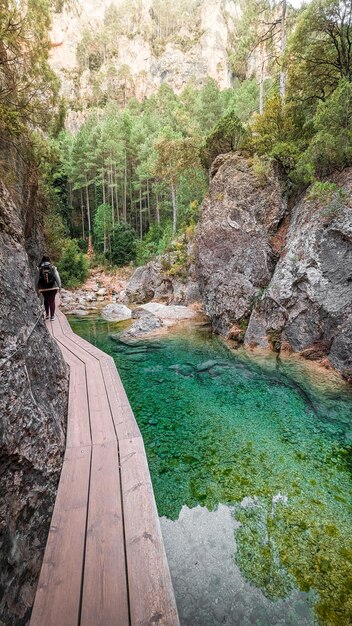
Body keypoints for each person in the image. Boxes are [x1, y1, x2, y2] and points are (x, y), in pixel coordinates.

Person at [37, 255, 61, 321]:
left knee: (46, 300)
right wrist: (59, 287)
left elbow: (37, 279)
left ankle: (47, 315)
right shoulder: (53, 268)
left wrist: (37, 288)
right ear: (49, 260)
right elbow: (57, 278)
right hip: (53, 287)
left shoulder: (40, 268)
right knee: (52, 301)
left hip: (43, 288)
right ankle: (52, 317)